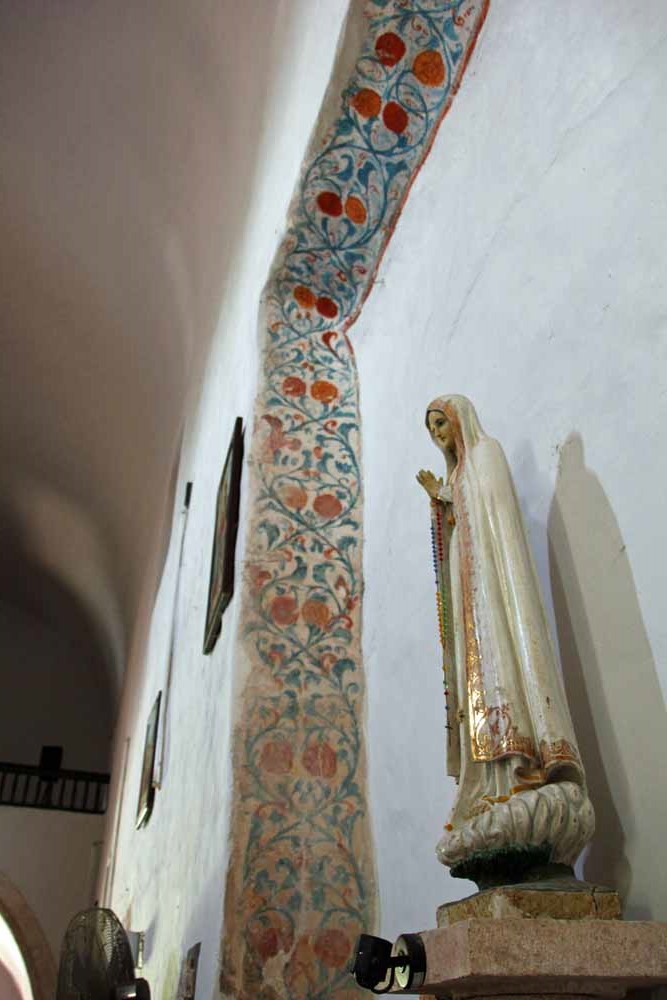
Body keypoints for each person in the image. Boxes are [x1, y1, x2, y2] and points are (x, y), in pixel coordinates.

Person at [417, 395, 594, 886]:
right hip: (470, 600)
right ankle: (490, 786)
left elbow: (492, 519)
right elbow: (460, 518)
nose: (438, 435)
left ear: (460, 420)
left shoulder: (487, 454)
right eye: (432, 430)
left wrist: (451, 499)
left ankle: (523, 771)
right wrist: (441, 502)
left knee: (505, 680)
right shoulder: (458, 474)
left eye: (441, 424)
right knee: (476, 692)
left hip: (495, 594)